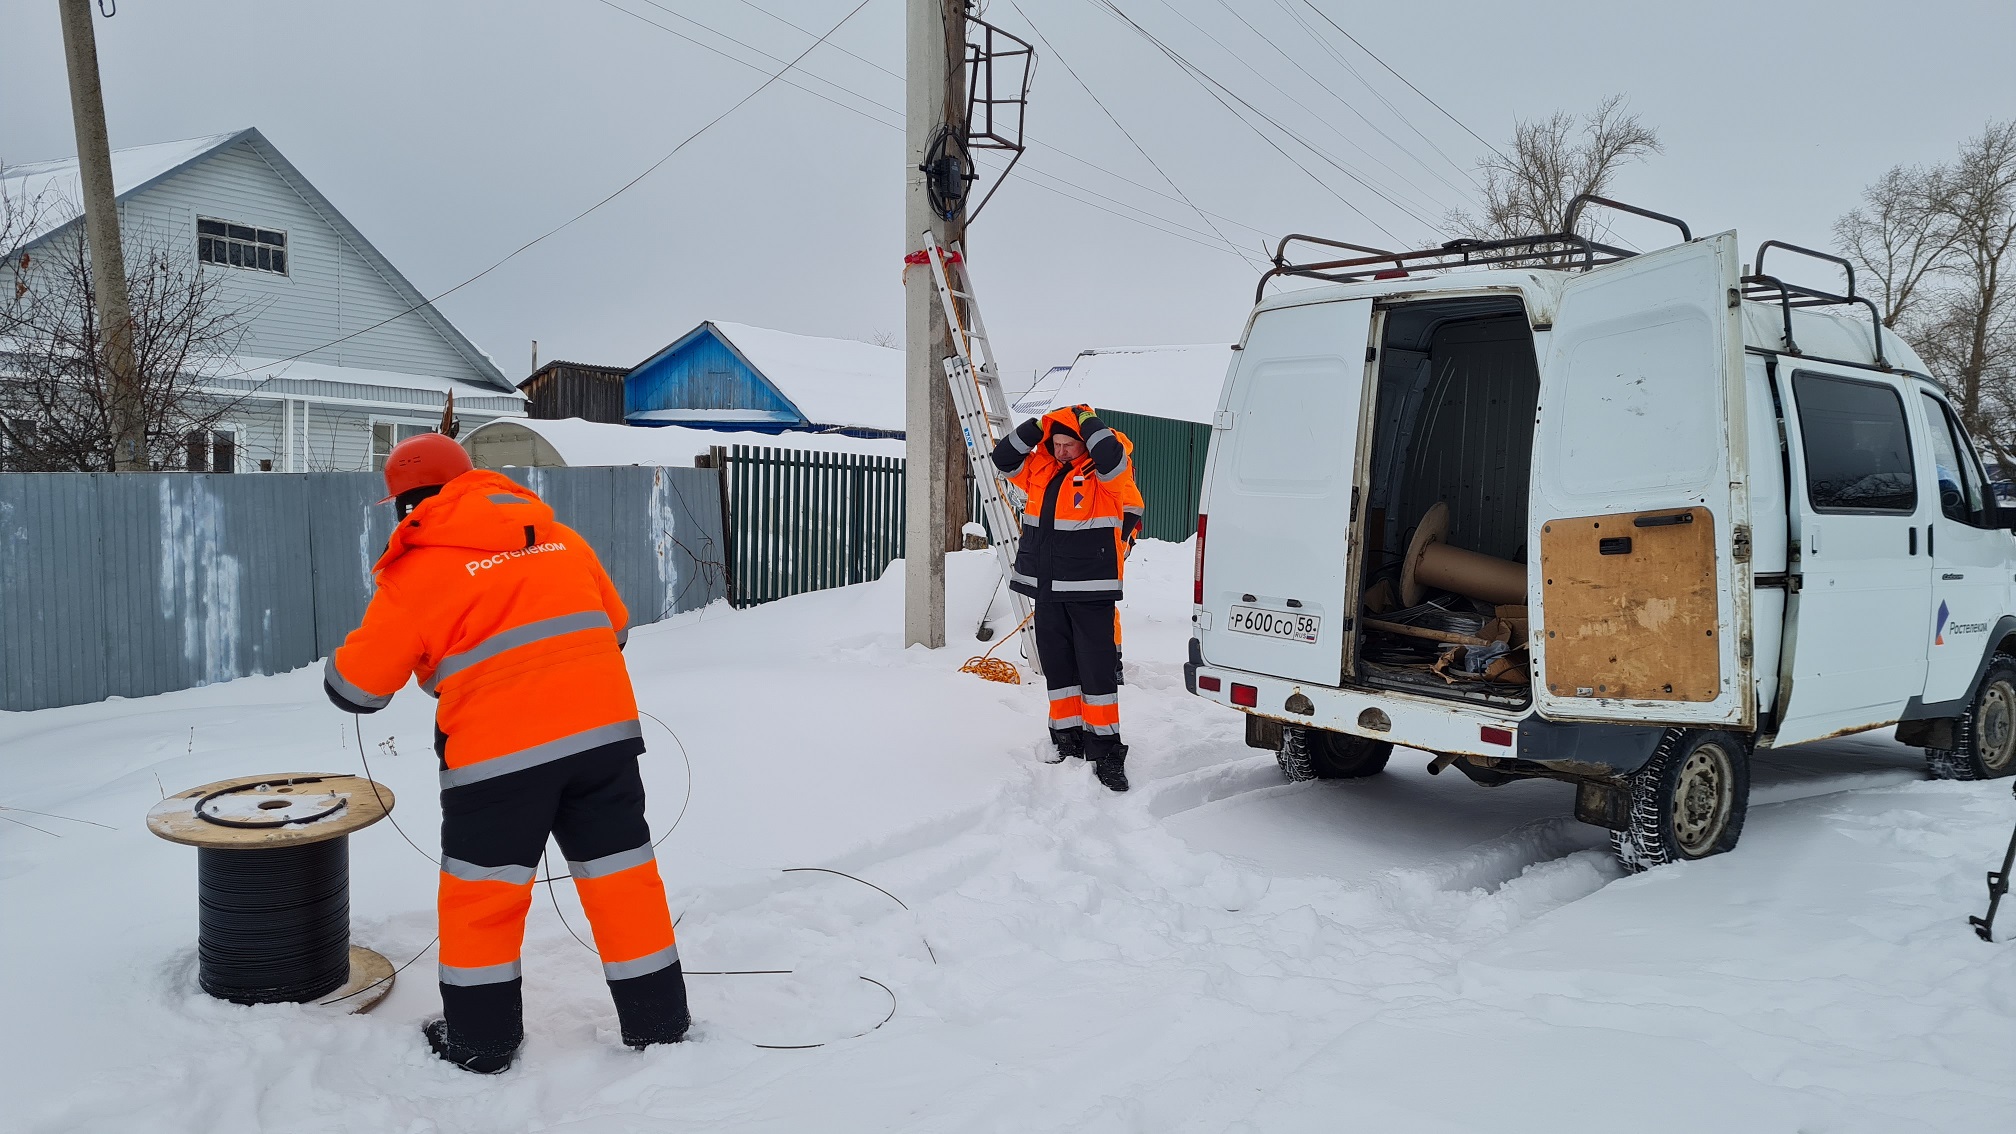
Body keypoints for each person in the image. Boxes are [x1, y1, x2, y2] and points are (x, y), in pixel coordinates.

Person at [323, 432, 687, 1074]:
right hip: (601, 742)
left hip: (497, 762)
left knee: (483, 899)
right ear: (472, 479)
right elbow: (616, 627)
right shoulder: (559, 537)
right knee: (625, 883)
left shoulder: (416, 568)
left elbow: (358, 688)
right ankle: (659, 1025)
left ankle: (481, 1043)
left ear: (405, 504)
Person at [992, 404, 1145, 791]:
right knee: (1059, 674)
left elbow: (1112, 461)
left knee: (1096, 677)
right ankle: (1066, 739)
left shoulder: (1106, 474)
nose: (1061, 451)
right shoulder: (1042, 469)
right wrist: (1041, 426)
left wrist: (1085, 420)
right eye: (1056, 444)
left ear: (1085, 443)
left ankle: (1106, 752)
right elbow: (1003, 457)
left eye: (1068, 445)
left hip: (1090, 591)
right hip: (1047, 590)